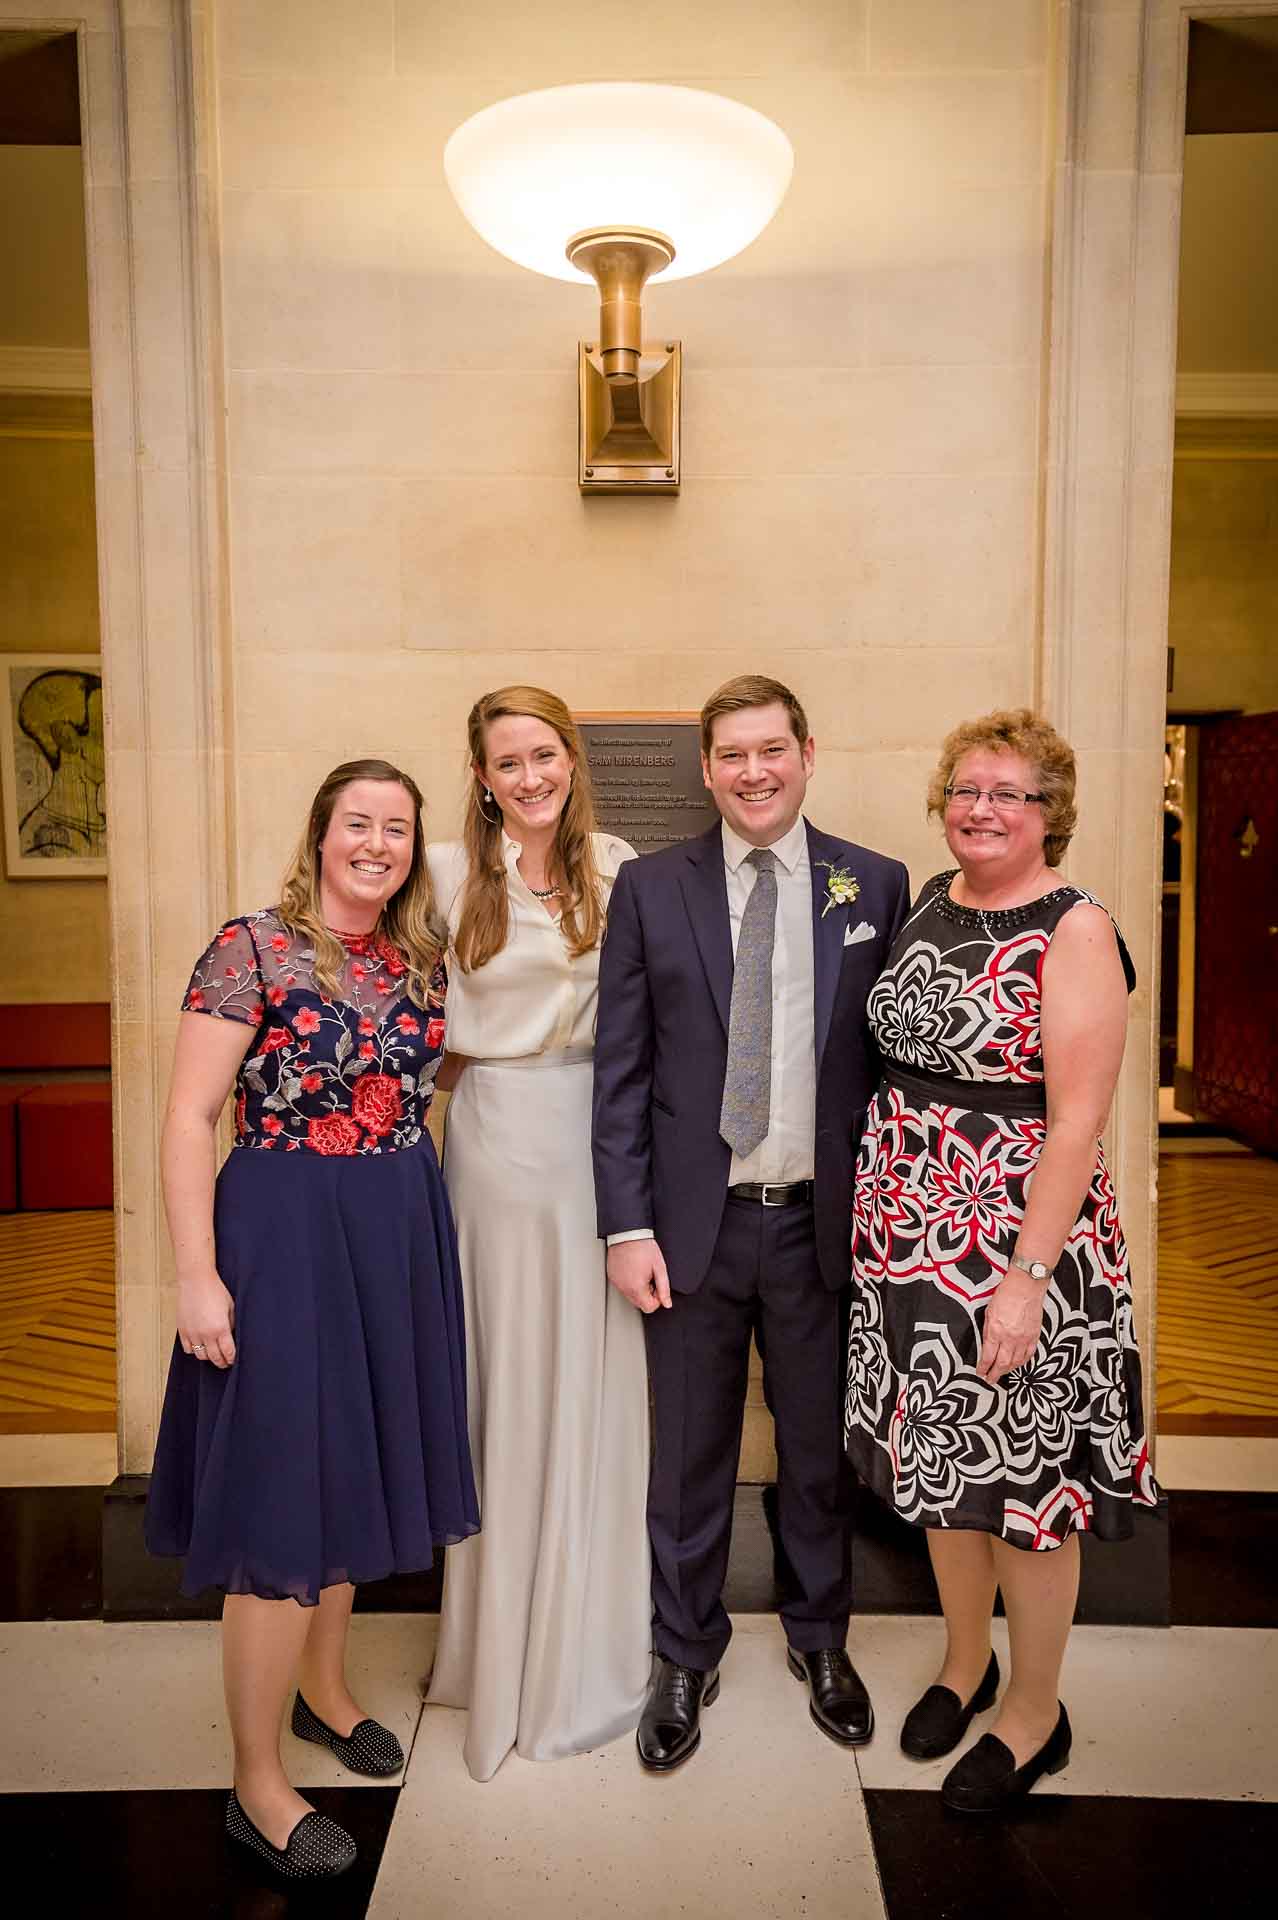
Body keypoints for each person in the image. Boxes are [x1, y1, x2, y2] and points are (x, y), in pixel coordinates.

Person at [146, 759, 478, 1879]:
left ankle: (325, 1692)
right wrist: (197, 1276)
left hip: (393, 1232)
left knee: (353, 1470)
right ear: (321, 835)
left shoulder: (420, 960)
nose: (377, 843)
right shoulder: (250, 948)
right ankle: (255, 1783)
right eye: (358, 824)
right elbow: (191, 1117)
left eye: (397, 827)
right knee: (284, 1491)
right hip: (282, 1234)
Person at [593, 673, 910, 1771]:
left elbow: (888, 1069)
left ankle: (823, 1639)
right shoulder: (651, 888)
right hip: (693, 1229)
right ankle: (685, 1650)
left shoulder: (873, 881)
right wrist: (625, 1225)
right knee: (687, 1454)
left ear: (807, 754)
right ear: (707, 767)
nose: (753, 771)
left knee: (817, 1453)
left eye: (771, 749)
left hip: (823, 1225)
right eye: (731, 754)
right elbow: (622, 1072)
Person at [845, 708, 1159, 1813]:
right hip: (908, 1235)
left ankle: (1033, 1713)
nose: (982, 809)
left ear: (1049, 816)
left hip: (1016, 1241)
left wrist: (1024, 1280)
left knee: (1026, 1486)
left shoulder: (1075, 930)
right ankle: (962, 1663)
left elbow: (1076, 1124)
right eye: (967, 788)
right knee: (940, 1464)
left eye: (1009, 794)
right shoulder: (932, 900)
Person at [426, 686, 651, 1782]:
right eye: (506, 762)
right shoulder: (437, 872)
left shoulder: (619, 865)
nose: (529, 776)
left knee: (585, 1387)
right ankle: (490, 1651)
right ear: (480, 775)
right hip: (488, 1145)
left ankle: (577, 1649)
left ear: (573, 757)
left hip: (592, 1147)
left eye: (545, 755)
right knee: (499, 1390)